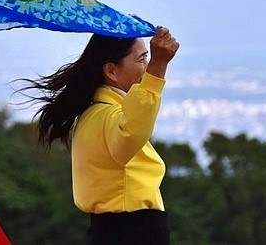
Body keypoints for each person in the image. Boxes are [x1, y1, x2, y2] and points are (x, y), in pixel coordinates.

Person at [23, 27, 179, 244]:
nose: (146, 66)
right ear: (111, 71)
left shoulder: (93, 114)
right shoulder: (107, 116)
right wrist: (158, 67)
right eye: (142, 59)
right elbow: (132, 132)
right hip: (132, 232)